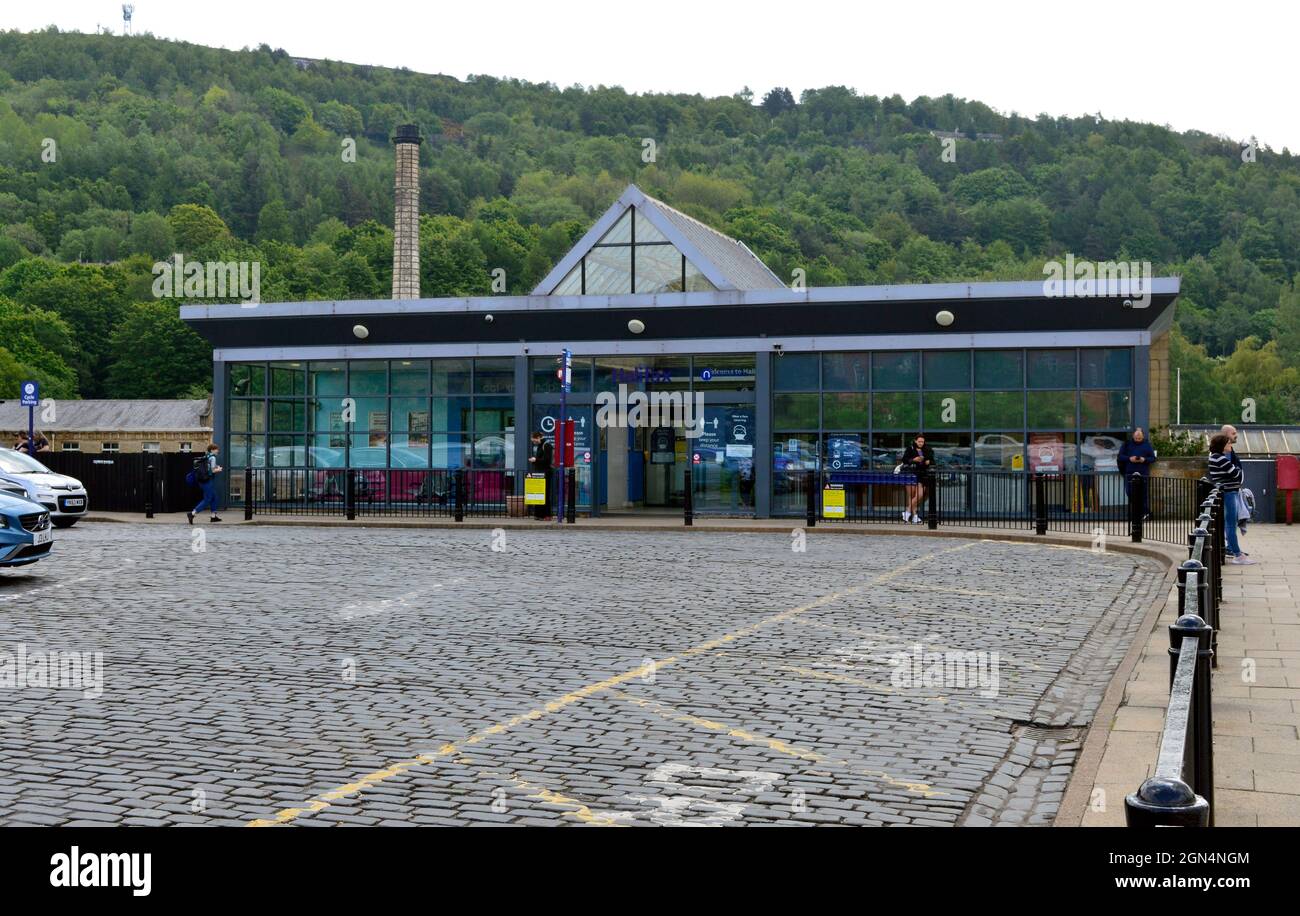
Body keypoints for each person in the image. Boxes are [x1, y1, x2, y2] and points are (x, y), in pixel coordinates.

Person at [1208, 433, 1254, 565]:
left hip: (1229, 492)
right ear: (1222, 445)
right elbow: (1237, 474)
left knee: (1229, 524)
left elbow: (1234, 474)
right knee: (1230, 525)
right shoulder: (1220, 459)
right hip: (1229, 493)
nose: (1231, 445)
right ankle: (1237, 555)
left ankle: (1234, 552)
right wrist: (1237, 469)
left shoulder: (1217, 457)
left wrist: (1235, 470)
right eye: (1228, 443)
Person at [1116, 427, 1156, 519]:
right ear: (1133, 436)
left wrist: (1144, 459)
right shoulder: (1127, 444)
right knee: (1129, 492)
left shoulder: (1147, 445)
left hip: (1143, 473)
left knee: (1143, 494)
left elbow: (1153, 458)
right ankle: (1137, 512)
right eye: (1136, 438)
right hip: (1129, 473)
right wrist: (1129, 458)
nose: (1138, 439)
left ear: (1143, 436)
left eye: (1140, 438)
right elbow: (1120, 456)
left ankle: (1144, 513)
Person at [901, 434, 934, 524]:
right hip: (911, 474)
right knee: (911, 495)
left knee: (920, 495)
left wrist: (928, 461)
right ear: (915, 441)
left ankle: (907, 512)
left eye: (922, 441)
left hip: (922, 475)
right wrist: (914, 460)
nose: (921, 443)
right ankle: (915, 516)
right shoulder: (910, 449)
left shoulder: (927, 449)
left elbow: (932, 460)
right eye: (919, 441)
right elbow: (904, 460)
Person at [187, 443, 223, 524]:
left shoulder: (206, 456)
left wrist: (216, 467)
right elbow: (213, 470)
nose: (218, 450)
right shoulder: (213, 457)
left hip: (202, 480)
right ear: (212, 450)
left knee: (214, 497)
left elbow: (208, 467)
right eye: (216, 449)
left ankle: (213, 516)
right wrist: (219, 469)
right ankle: (192, 513)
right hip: (207, 481)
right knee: (208, 499)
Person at [527, 431, 553, 520]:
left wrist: (535, 460)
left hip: (545, 473)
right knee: (539, 493)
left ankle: (546, 515)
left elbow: (547, 460)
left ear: (538, 437)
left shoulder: (546, 445)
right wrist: (535, 460)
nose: (533, 442)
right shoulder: (539, 445)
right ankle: (538, 514)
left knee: (545, 493)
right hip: (539, 472)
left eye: (534, 440)